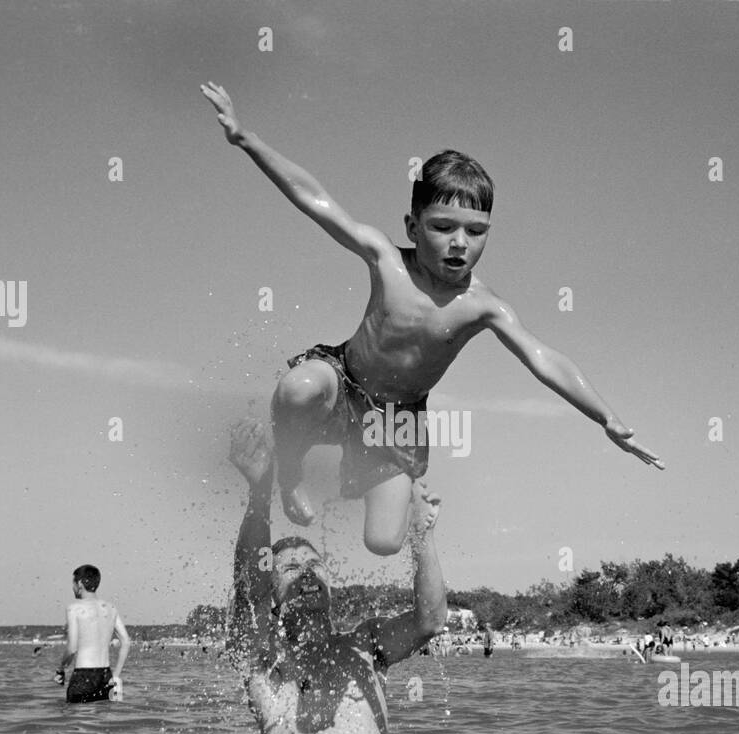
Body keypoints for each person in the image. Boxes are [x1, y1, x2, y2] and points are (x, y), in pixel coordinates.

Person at [201, 83, 665, 557]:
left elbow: (544, 360)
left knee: (384, 543)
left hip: (396, 417)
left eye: (475, 231)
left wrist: (605, 416)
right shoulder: (386, 259)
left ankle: (383, 487)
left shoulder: (484, 305)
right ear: (412, 227)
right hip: (342, 378)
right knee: (297, 388)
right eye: (443, 228)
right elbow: (315, 200)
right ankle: (293, 471)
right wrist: (246, 139)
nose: (460, 242)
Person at [225, 419, 446, 734]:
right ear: (274, 594)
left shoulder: (366, 644)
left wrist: (422, 536)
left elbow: (430, 620)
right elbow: (249, 586)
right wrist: (259, 491)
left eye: (314, 564)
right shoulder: (268, 660)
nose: (306, 572)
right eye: (290, 567)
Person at [56, 565, 131, 703]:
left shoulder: (74, 608)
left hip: (84, 675)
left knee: (77, 721)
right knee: (101, 723)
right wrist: (115, 675)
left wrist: (60, 669)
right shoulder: (111, 608)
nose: (72, 588)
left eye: (73, 583)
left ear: (79, 583)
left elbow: (72, 648)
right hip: (106, 675)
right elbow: (126, 642)